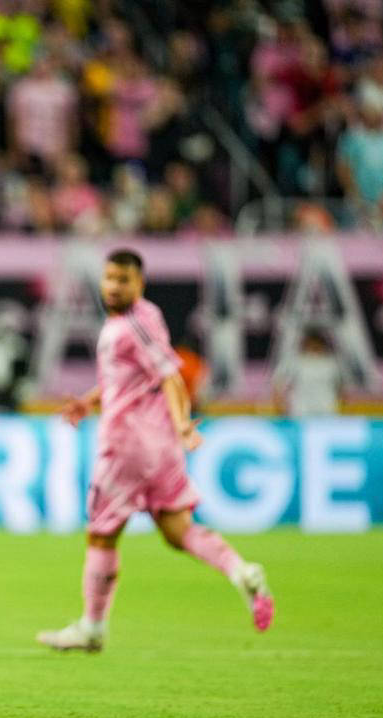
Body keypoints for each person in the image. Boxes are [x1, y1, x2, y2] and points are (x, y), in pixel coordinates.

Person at [37, 249, 273, 653]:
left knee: (101, 534)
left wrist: (182, 421)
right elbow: (132, 380)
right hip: (159, 447)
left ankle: (92, 626)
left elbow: (170, 376)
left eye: (123, 280)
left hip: (127, 444)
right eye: (109, 278)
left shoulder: (130, 326)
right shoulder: (146, 316)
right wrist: (89, 401)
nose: (114, 287)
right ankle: (242, 571)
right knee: (176, 529)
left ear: (139, 283)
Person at [272, 328, 342, 417]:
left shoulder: (331, 363)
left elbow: (339, 386)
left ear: (322, 345)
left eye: (316, 344)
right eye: (311, 344)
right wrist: (280, 402)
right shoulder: (296, 361)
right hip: (301, 410)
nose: (314, 347)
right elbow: (279, 381)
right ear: (305, 344)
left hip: (326, 409)